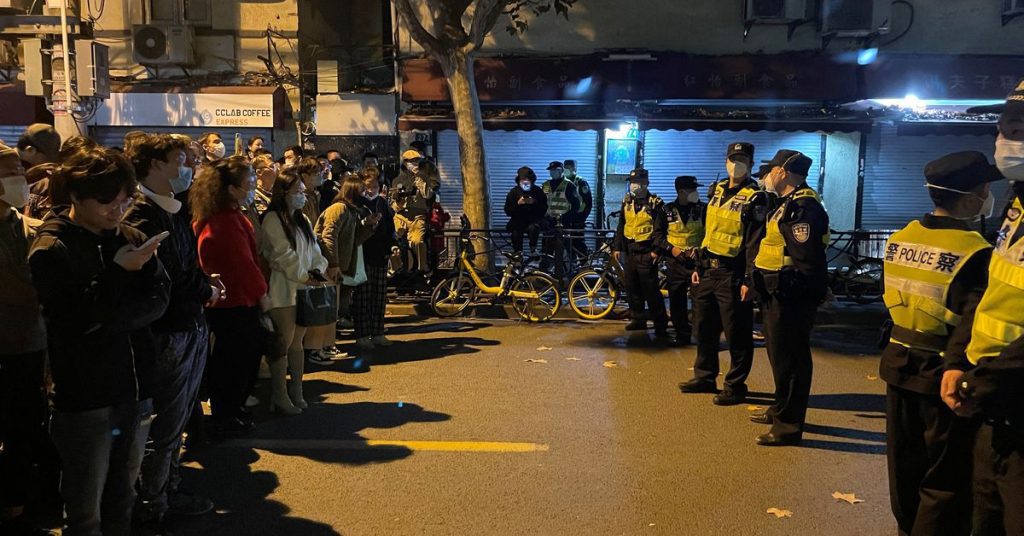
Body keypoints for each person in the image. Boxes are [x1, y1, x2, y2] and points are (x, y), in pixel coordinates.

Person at [30, 147, 170, 536]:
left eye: (124, 198)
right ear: (75, 196)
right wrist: (116, 274)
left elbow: (159, 297)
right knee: (84, 507)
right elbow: (73, 320)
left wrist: (110, 315)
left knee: (123, 494)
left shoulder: (131, 234)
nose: (117, 208)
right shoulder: (52, 248)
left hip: (135, 385)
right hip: (85, 396)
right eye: (106, 200)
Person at [878, 151, 999, 536]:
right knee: (945, 480)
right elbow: (972, 320)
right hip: (943, 375)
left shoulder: (901, 237)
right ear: (968, 199)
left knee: (904, 468)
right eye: (984, 190)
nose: (988, 196)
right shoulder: (975, 252)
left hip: (898, 364)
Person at [121, 134, 222, 530]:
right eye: (181, 160)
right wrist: (205, 289)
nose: (188, 169)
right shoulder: (143, 215)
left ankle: (165, 488)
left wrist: (205, 285)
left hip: (188, 323)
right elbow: (170, 278)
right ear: (154, 165)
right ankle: (153, 501)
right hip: (168, 332)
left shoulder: (174, 209)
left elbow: (187, 266)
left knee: (175, 420)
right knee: (163, 423)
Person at [949, 79, 1024, 534]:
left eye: (1015, 125)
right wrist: (957, 361)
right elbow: (989, 288)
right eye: (1001, 125)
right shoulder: (1016, 202)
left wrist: (982, 380)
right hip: (993, 403)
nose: (1001, 137)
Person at [750, 150, 829, 446]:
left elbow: (808, 257)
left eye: (771, 170)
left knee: (792, 360)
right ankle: (780, 408)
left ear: (783, 172)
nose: (767, 176)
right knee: (779, 356)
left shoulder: (804, 207)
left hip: (792, 293)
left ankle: (789, 425)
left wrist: (815, 294)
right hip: (776, 291)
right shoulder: (786, 204)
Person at [679, 142, 767, 407]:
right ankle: (705, 377)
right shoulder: (715, 190)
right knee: (704, 328)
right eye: (732, 158)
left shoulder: (756, 197)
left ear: (751, 163)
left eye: (742, 159)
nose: (736, 164)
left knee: (737, 334)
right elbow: (709, 232)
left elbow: (755, 241)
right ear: (726, 161)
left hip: (733, 274)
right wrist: (698, 267)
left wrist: (750, 279)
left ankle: (735, 385)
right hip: (708, 271)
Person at [190, 156, 270, 437]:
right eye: (248, 183)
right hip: (233, 302)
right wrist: (262, 294)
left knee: (233, 360)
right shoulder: (223, 222)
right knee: (235, 362)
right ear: (231, 188)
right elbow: (242, 265)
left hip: (229, 301)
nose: (253, 187)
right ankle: (227, 413)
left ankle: (231, 410)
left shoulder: (223, 215)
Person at [0, 142, 49, 535]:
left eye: (19, 168)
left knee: (25, 427)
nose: (20, 177)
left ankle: (17, 504)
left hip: (30, 345)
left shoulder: (28, 224)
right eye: (10, 171)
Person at [261, 169, 330, 414]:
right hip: (283, 290)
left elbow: (315, 252)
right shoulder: (272, 219)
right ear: (283, 193)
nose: (302, 196)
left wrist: (317, 271)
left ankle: (297, 391)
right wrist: (304, 275)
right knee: (283, 343)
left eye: (303, 191)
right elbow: (282, 254)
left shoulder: (303, 220)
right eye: (297, 191)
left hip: (304, 289)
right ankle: (279, 395)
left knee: (297, 343)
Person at [316, 175, 377, 365]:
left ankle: (328, 345)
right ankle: (321, 347)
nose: (365, 194)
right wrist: (333, 263)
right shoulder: (339, 208)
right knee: (327, 310)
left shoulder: (351, 211)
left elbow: (354, 239)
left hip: (339, 267)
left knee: (334, 310)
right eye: (361, 191)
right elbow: (329, 235)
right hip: (329, 267)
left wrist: (369, 226)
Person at [612, 168, 668, 336]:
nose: (635, 186)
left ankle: (660, 323)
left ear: (647, 183)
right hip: (630, 251)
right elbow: (622, 225)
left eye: (639, 182)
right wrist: (618, 247)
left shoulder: (656, 203)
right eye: (633, 183)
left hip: (647, 252)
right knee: (632, 287)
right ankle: (638, 319)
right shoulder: (627, 200)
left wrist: (656, 252)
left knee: (651, 290)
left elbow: (662, 230)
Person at [657, 176, 705, 346]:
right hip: (675, 263)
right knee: (677, 301)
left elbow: (709, 235)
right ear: (682, 191)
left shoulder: (703, 209)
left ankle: (699, 336)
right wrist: (672, 249)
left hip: (696, 263)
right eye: (692, 189)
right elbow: (658, 236)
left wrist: (699, 251)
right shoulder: (666, 210)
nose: (696, 193)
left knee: (700, 301)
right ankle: (682, 334)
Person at [353, 168, 398, 348]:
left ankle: (378, 332)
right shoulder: (357, 203)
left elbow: (390, 227)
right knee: (363, 297)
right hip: (362, 255)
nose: (371, 190)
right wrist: (365, 223)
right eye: (368, 186)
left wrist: (393, 245)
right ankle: (362, 335)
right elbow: (353, 229)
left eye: (375, 186)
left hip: (380, 255)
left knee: (379, 298)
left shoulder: (382, 202)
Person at [392, 149, 438, 277]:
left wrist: (420, 179)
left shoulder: (425, 176)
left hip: (418, 215)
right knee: (395, 242)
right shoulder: (398, 179)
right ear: (405, 163)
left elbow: (428, 195)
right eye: (411, 161)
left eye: (417, 160)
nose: (414, 163)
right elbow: (393, 205)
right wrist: (398, 199)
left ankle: (423, 268)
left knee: (418, 242)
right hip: (400, 215)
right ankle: (396, 269)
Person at [540, 161, 580, 279]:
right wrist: (542, 219)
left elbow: (575, 205)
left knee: (568, 248)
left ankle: (573, 275)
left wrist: (567, 219)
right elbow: (542, 203)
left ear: (561, 171)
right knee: (547, 249)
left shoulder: (569, 185)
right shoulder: (546, 185)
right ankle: (544, 276)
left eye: (556, 170)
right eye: (551, 171)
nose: (553, 173)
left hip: (564, 223)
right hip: (549, 223)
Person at [504, 166, 548, 253]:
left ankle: (533, 249)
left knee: (534, 228)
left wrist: (534, 202)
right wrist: (518, 203)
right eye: (522, 181)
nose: (525, 183)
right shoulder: (513, 192)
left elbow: (544, 208)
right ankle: (518, 254)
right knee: (516, 232)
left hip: (534, 220)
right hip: (518, 221)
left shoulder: (538, 191)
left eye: (527, 181)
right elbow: (507, 210)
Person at [563, 159, 592, 258]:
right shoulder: (563, 181)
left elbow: (588, 202)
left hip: (578, 218)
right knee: (567, 243)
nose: (566, 170)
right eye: (565, 168)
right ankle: (572, 265)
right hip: (566, 218)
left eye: (568, 168)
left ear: (574, 168)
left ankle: (585, 264)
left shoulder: (581, 182)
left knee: (578, 243)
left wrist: (582, 218)